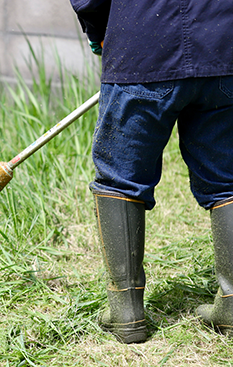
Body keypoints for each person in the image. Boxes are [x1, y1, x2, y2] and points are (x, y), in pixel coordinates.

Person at [69, 0, 233, 343]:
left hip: (142, 48)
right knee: (227, 182)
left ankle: (126, 312)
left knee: (119, 179)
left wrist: (99, 31)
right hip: (224, 48)